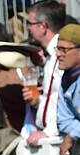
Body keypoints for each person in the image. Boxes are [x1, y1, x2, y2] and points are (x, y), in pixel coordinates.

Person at [24, 1, 66, 145]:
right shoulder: (49, 56)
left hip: (59, 139)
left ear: (43, 26)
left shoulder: (61, 55)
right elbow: (52, 98)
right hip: (50, 137)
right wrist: (36, 101)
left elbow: (66, 100)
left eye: (31, 23)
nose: (28, 28)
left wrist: (49, 132)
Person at [55, 24, 80, 155]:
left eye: (64, 50)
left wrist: (72, 135)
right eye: (58, 49)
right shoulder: (66, 80)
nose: (58, 54)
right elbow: (64, 120)